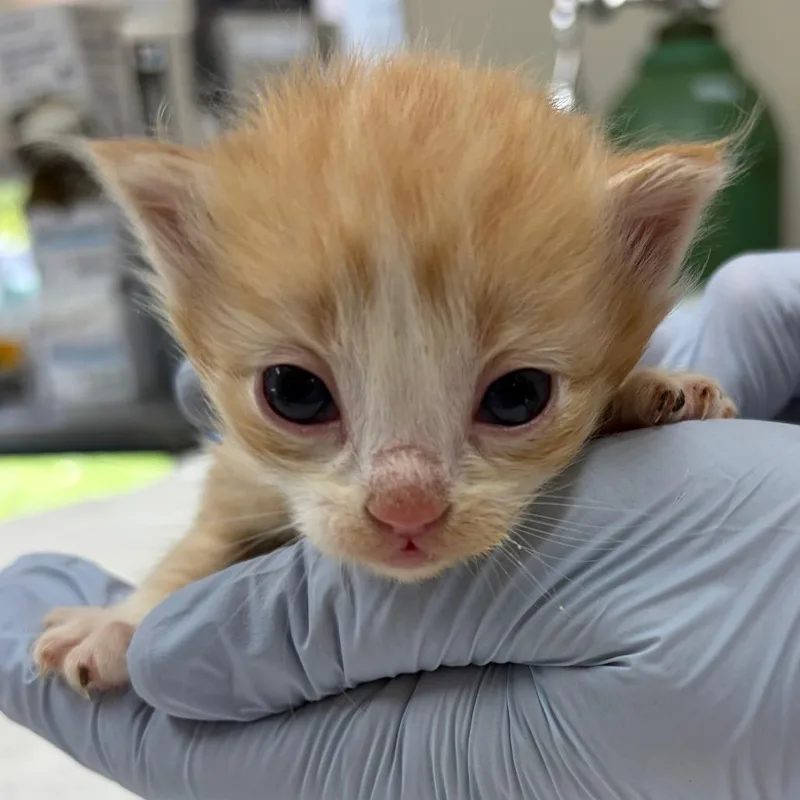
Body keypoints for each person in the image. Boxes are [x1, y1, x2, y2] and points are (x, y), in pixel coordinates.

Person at [4, 255, 800, 799]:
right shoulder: (253, 463)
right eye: (301, 392)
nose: (405, 500)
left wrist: (610, 403)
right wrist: (135, 615)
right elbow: (215, 537)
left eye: (515, 393)